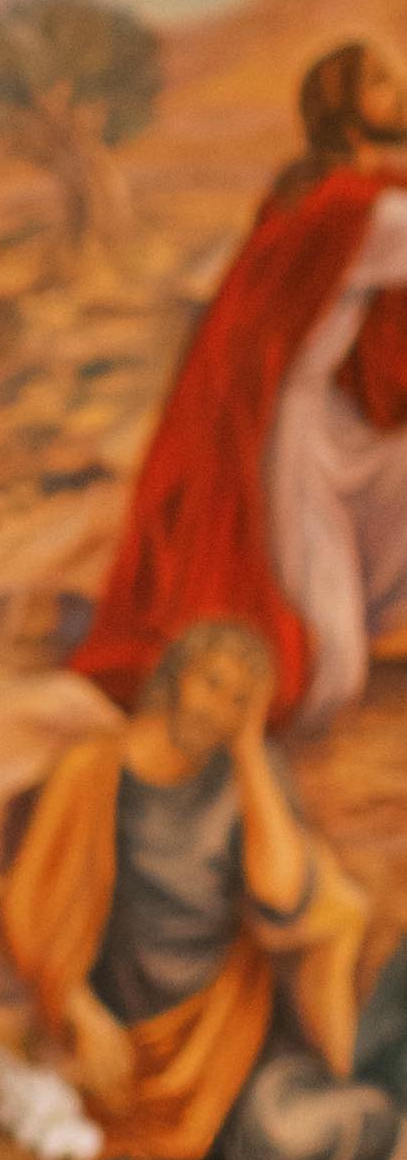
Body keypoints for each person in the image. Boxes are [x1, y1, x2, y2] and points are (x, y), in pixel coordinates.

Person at [0, 613, 407, 1160]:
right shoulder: (92, 772)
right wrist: (78, 1009)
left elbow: (286, 895)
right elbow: (30, 906)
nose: (218, 705)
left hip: (235, 1048)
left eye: (240, 698)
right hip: (129, 1072)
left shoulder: (246, 775)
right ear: (175, 676)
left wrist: (250, 751)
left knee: (325, 1132)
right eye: (212, 683)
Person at [77, 37, 407, 734]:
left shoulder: (335, 195)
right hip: (284, 430)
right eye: (380, 81)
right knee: (329, 674)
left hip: (332, 416)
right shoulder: (346, 206)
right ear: (346, 110)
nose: (400, 89)